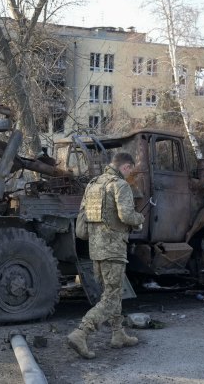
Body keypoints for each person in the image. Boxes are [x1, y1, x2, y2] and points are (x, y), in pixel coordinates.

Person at [68, 152, 145, 359]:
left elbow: (82, 223)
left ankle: (118, 334)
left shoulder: (93, 184)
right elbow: (127, 216)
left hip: (96, 250)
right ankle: (81, 332)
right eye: (131, 170)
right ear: (126, 167)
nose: (130, 175)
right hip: (113, 249)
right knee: (111, 297)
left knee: (112, 293)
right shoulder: (120, 186)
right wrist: (140, 218)